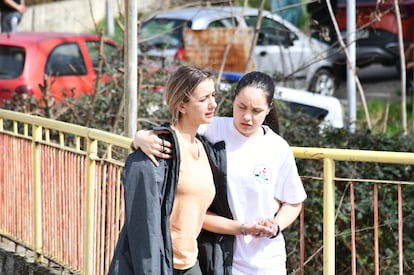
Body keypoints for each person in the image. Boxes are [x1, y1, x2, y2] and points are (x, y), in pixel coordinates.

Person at [133, 71, 307, 274]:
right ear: (233, 100)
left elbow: (294, 201)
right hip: (220, 257)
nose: (247, 117)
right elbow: (173, 133)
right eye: (241, 107)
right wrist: (140, 137)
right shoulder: (211, 129)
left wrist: (276, 225)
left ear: (268, 109)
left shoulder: (278, 148)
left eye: (256, 111)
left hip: (268, 261)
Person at [109, 65, 271, 275]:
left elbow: (201, 213)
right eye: (203, 99)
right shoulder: (161, 149)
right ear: (182, 105)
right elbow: (143, 224)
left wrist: (246, 228)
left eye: (213, 95)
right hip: (159, 264)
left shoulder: (205, 148)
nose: (213, 104)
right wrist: (139, 139)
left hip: (189, 261)